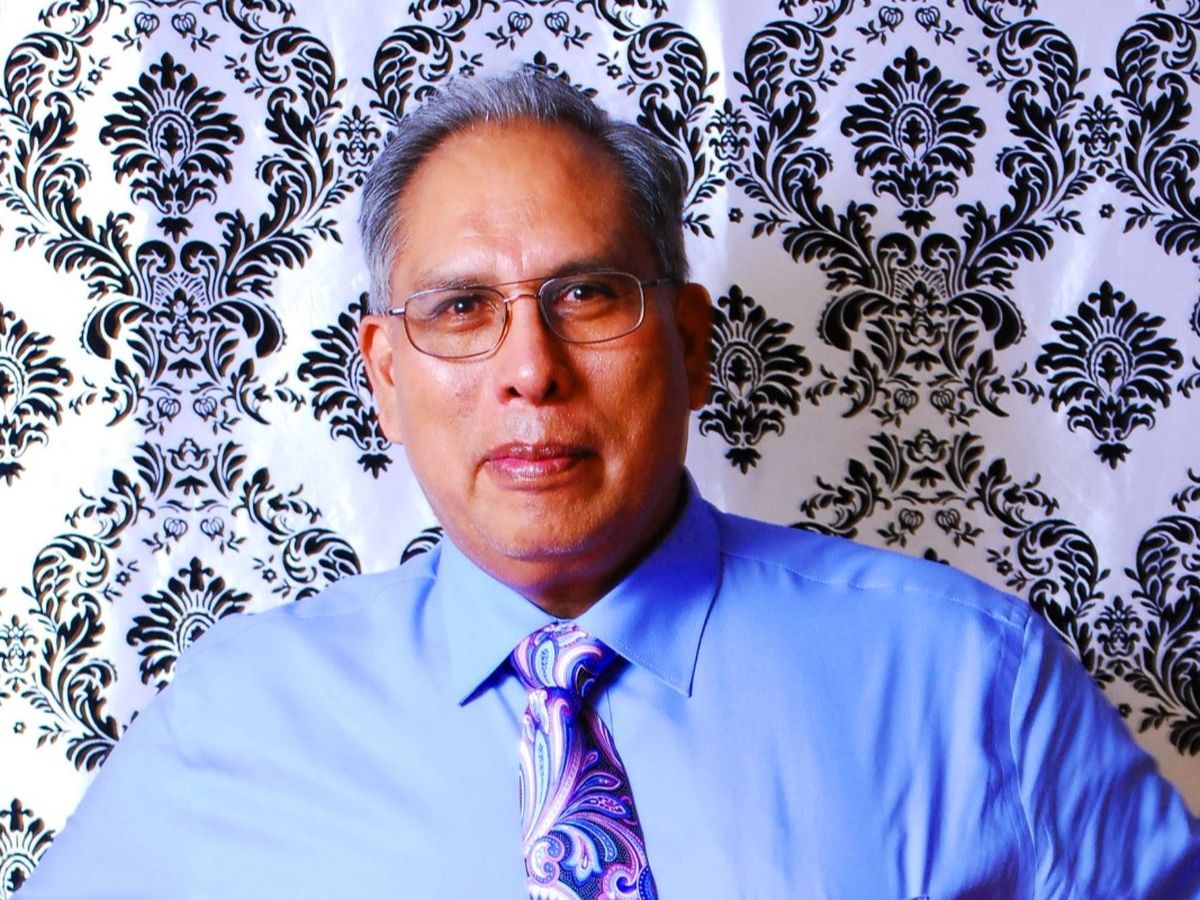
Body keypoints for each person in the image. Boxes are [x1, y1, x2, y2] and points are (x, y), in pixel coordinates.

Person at [18, 69, 1200, 900]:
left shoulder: (969, 683)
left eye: (586, 296)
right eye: (461, 309)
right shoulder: (238, 717)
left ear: (689, 343)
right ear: (384, 376)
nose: (530, 370)